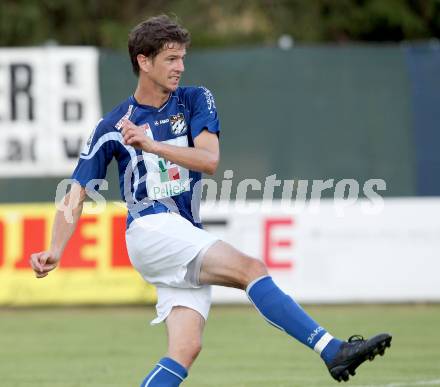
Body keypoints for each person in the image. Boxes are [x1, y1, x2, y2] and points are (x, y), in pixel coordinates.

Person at [30, 15, 391, 386]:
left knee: (185, 348)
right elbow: (75, 193)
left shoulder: (194, 100)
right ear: (143, 60)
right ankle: (332, 350)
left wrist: (152, 145)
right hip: (150, 229)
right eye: (170, 59)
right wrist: (55, 249)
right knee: (250, 269)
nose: (180, 67)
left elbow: (209, 160)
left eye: (182, 58)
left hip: (180, 230)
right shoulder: (112, 126)